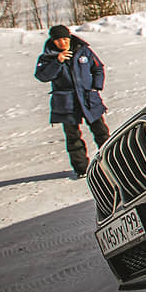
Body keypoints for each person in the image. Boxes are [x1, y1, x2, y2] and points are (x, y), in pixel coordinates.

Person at [34, 25, 110, 178]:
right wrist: (57, 61)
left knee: (101, 131)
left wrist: (96, 86)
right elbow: (42, 76)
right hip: (66, 102)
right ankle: (81, 168)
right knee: (73, 137)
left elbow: (98, 68)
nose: (62, 43)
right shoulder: (47, 57)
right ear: (53, 41)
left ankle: (111, 160)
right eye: (58, 40)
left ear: (69, 37)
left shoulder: (83, 50)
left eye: (64, 39)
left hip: (88, 98)